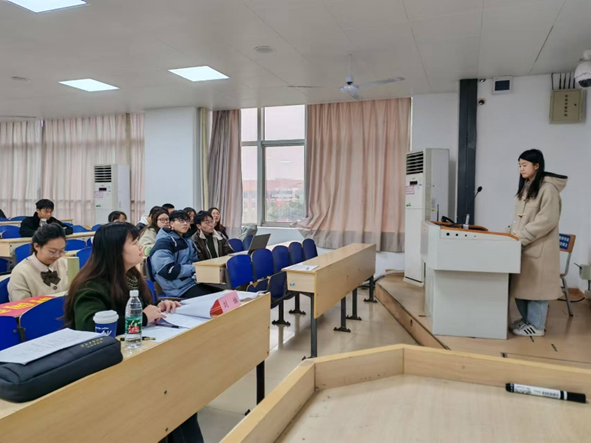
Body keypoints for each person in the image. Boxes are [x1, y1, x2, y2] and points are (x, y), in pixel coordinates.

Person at [63, 223, 204, 442]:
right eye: (134, 242)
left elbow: (140, 309)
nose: (141, 247)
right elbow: (91, 328)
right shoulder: (90, 286)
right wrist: (143, 318)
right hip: (104, 366)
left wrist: (158, 307)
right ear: (115, 250)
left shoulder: (131, 276)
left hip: (135, 353)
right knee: (169, 395)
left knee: (180, 394)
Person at [509, 149, 567, 337]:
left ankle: (537, 326)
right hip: (524, 245)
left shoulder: (548, 189)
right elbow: (520, 219)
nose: (521, 168)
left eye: (524, 165)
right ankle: (528, 320)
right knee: (523, 287)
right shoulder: (528, 186)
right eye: (519, 165)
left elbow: (547, 220)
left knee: (537, 290)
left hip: (539, 248)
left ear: (536, 166)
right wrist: (509, 235)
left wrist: (522, 236)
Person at [150, 210, 218, 298]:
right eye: (181, 221)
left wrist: (197, 271)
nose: (185, 223)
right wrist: (194, 269)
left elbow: (194, 260)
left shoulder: (187, 240)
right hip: (177, 287)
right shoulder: (164, 243)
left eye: (187, 221)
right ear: (171, 223)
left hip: (192, 280)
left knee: (222, 291)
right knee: (212, 298)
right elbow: (167, 270)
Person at [8, 224, 69, 301]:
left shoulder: (65, 264)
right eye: (52, 252)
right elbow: (21, 305)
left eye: (61, 251)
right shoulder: (20, 272)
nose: (57, 256)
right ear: (36, 246)